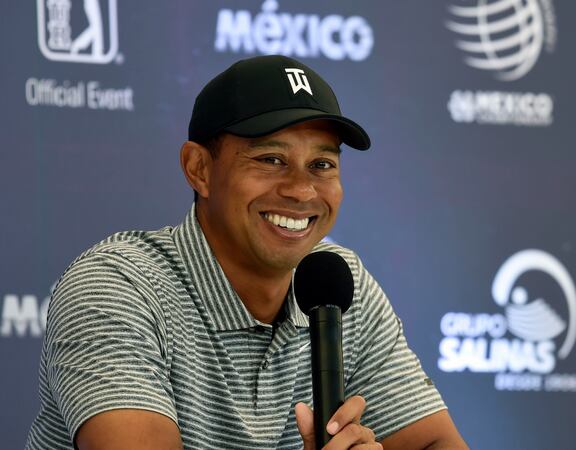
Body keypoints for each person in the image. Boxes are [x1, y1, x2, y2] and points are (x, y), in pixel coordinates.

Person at [26, 55, 467, 449]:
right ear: (199, 169)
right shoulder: (116, 285)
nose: (300, 189)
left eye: (322, 164)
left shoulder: (339, 284)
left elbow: (434, 443)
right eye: (270, 159)